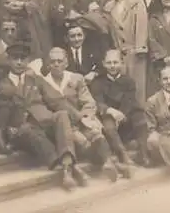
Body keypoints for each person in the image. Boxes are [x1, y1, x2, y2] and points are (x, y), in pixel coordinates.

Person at [0, 42, 88, 190]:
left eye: (23, 58)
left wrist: (81, 118)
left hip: (44, 122)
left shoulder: (36, 79)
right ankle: (69, 169)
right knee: (28, 129)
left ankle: (67, 167)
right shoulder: (1, 85)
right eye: (15, 58)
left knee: (62, 115)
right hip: (21, 129)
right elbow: (0, 115)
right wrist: (2, 137)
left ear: (28, 61)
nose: (19, 62)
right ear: (9, 60)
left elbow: (57, 100)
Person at [40, 48, 124, 181]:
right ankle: (109, 162)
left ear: (66, 63)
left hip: (82, 121)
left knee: (95, 132)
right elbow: (44, 110)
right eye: (53, 61)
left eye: (60, 61)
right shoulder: (43, 83)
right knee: (81, 140)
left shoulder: (76, 78)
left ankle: (108, 162)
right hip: (64, 127)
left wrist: (86, 117)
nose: (56, 64)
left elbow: (89, 102)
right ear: (48, 64)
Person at [90, 49, 150, 167]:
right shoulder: (97, 82)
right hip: (108, 122)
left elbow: (129, 101)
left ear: (122, 63)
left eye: (115, 62)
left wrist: (121, 114)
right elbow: (98, 101)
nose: (112, 66)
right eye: (109, 63)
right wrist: (110, 111)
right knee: (107, 120)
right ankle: (123, 154)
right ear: (103, 63)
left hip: (124, 119)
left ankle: (144, 154)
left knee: (139, 116)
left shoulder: (128, 81)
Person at [104, 0, 148, 105]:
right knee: (121, 85)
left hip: (134, 49)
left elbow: (142, 25)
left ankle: (139, 113)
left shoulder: (136, 2)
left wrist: (140, 47)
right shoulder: (109, 6)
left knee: (137, 85)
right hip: (118, 51)